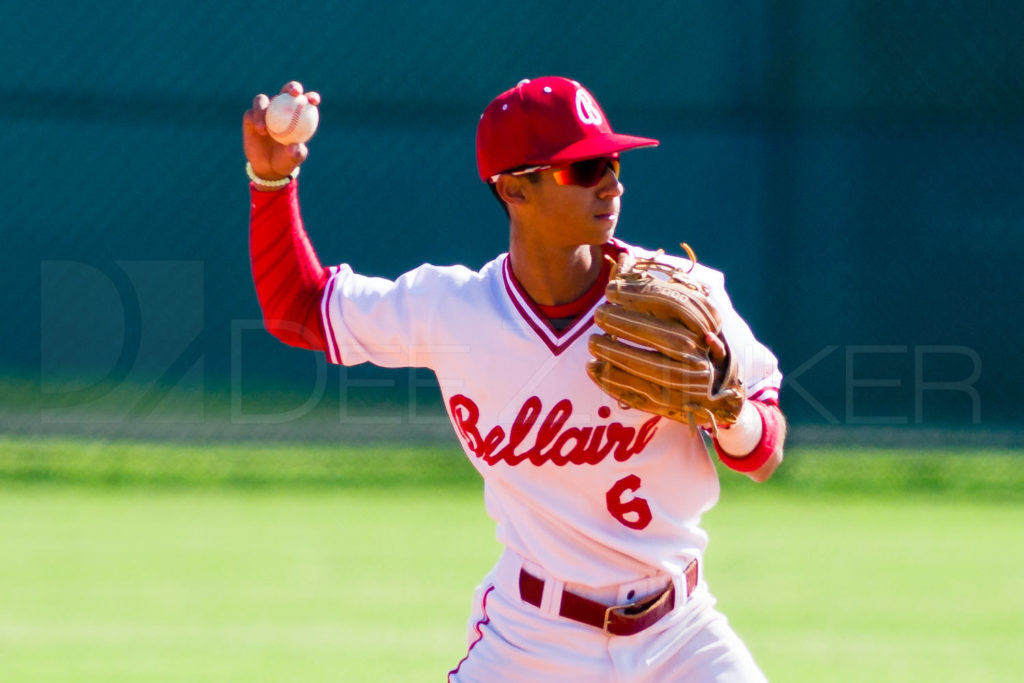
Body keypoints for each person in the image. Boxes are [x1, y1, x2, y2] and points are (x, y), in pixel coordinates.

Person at [243, 76, 785, 682]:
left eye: (609, 162)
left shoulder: (679, 298)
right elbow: (299, 307)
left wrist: (729, 413)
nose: (610, 182)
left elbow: (765, 451)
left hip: (680, 634)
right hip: (533, 639)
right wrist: (271, 181)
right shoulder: (452, 309)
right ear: (512, 188)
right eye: (580, 170)